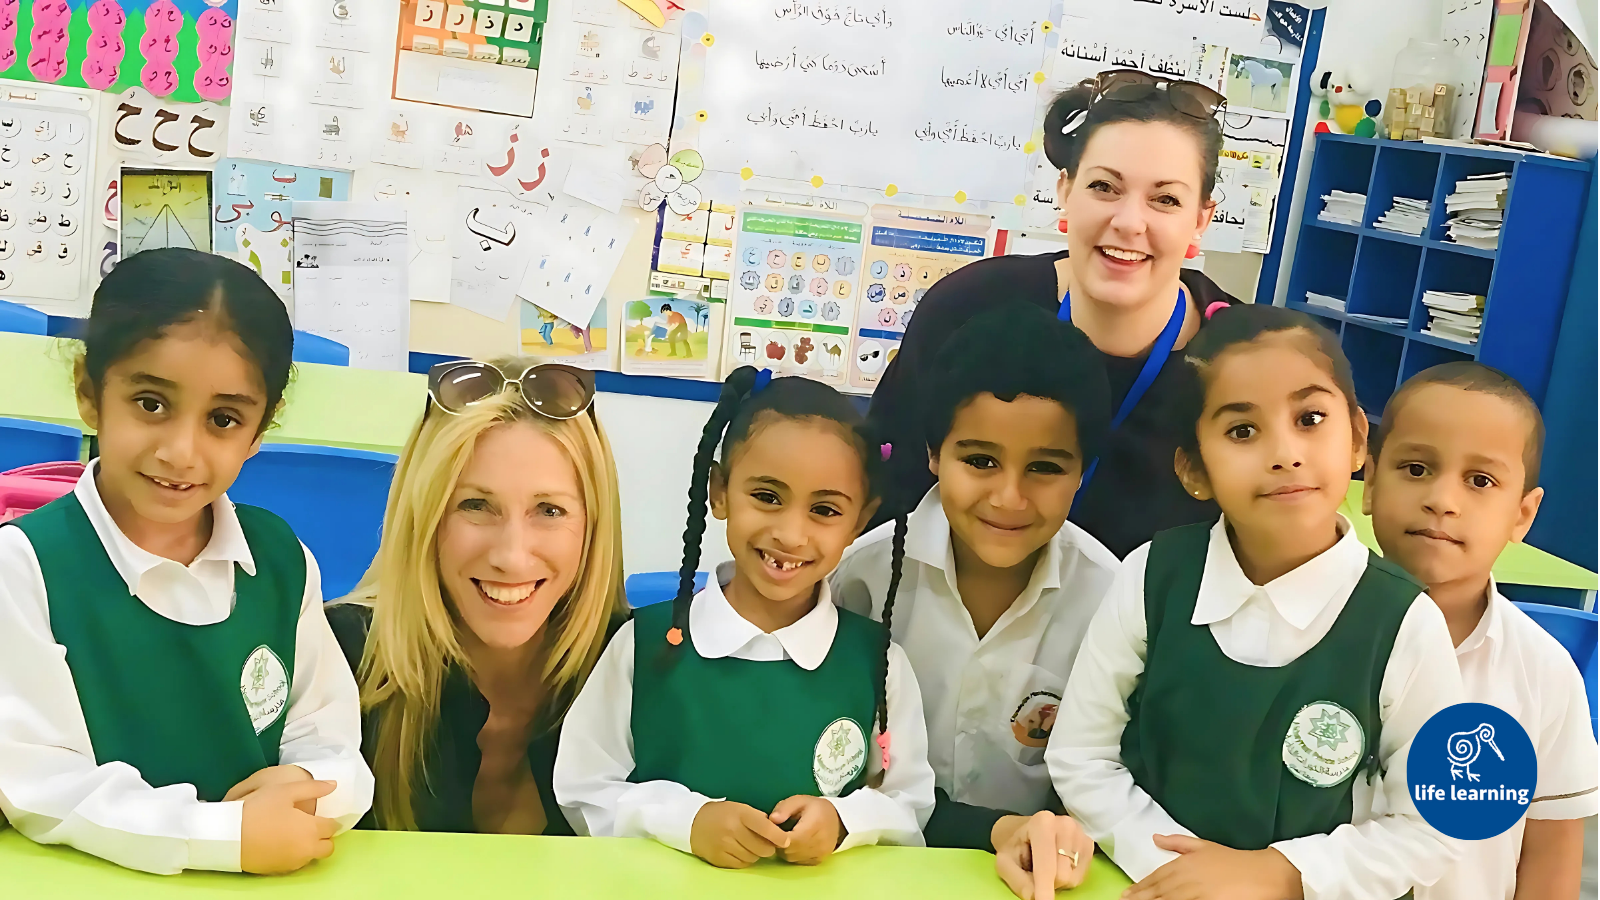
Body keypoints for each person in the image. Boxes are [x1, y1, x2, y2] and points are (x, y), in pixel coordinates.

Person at [1048, 305, 1463, 900]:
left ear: (1357, 440)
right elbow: (1081, 756)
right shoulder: (1151, 576)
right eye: (1243, 431)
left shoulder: (1403, 622)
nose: (1285, 453)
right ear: (1194, 470)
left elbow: (1429, 828)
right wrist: (1176, 868)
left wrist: (1279, 872)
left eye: (1310, 419)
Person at [0, 248, 372, 875]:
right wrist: (222, 835)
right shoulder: (25, 566)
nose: (181, 451)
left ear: (260, 431)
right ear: (89, 393)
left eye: (223, 419)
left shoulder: (281, 562)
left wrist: (310, 789)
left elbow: (331, 740)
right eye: (151, 403)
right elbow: (40, 782)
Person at [554, 367, 935, 868]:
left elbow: (909, 801)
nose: (791, 534)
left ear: (860, 521)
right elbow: (583, 788)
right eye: (767, 497)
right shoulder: (644, 644)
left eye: (825, 510)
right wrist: (687, 822)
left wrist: (844, 822)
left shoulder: (877, 662)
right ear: (719, 492)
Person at [868, 70, 1243, 558]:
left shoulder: (1238, 361)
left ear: (1200, 219)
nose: (1130, 222)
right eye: (1104, 187)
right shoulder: (969, 308)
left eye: (1165, 199)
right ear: (1065, 191)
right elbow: (887, 493)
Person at [832, 303, 1115, 898]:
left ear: (1083, 472)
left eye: (1044, 467)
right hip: (871, 869)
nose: (1009, 497)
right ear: (934, 454)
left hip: (1040, 880)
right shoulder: (863, 578)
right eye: (980, 461)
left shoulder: (1111, 598)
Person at [326, 359, 628, 835]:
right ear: (425, 518)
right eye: (475, 505)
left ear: (594, 526)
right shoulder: (334, 659)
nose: (511, 556)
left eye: (549, 510)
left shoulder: (641, 672)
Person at [1364, 362, 1598, 900]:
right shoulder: (1308, 630)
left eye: (1480, 481)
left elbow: (1551, 855)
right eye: (1416, 468)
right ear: (1371, 481)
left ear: (1522, 515)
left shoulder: (1542, 672)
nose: (1443, 500)